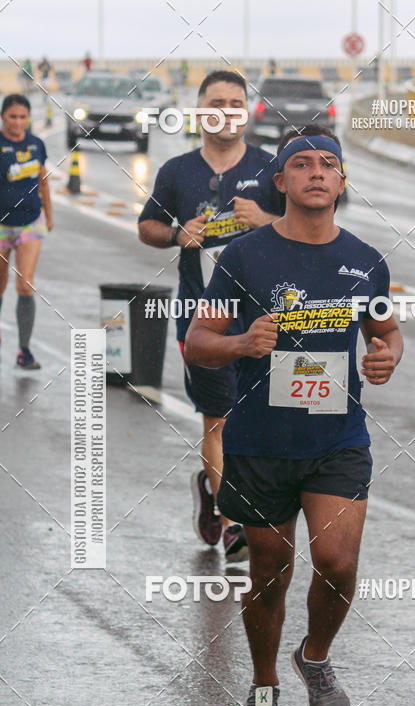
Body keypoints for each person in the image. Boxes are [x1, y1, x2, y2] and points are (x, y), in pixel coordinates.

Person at [184, 126, 403, 706]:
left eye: (327, 164)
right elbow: (199, 343)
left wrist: (387, 356)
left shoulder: (366, 261)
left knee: (337, 563)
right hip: (259, 443)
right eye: (300, 164)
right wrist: (240, 343)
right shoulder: (246, 256)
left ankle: (314, 657)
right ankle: (263, 689)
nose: (315, 172)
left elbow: (385, 333)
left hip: (336, 441)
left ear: (340, 182)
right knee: (270, 569)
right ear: (279, 181)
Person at [138, 70, 281, 560]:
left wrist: (267, 221)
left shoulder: (271, 170)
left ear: (247, 112)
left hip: (266, 319)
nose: (226, 110)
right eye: (216, 102)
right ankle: (234, 521)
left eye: (236, 103)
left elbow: (312, 225)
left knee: (260, 421)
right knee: (218, 420)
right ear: (200, 113)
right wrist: (178, 235)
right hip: (203, 315)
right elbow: (147, 227)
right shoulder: (178, 171)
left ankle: (212, 485)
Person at [0, 94, 53, 368]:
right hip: (0, 225)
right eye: (12, 116)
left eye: (23, 117)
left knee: (25, 284)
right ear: (2, 117)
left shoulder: (36, 144)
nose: (18, 122)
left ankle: (24, 350)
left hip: (31, 222)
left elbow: (43, 181)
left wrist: (50, 215)